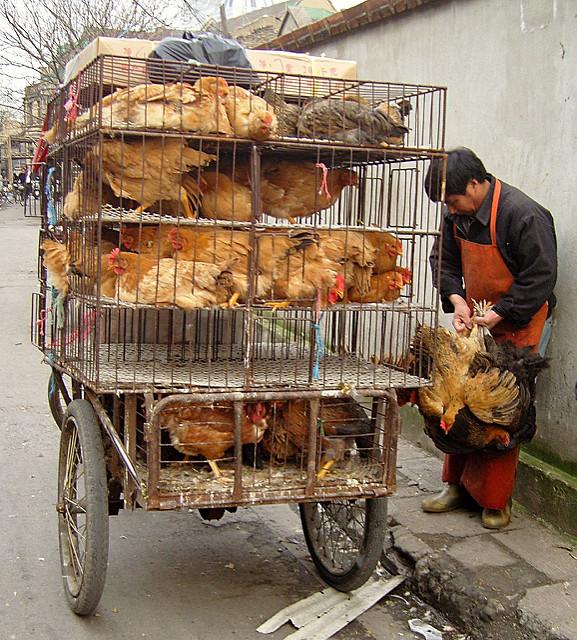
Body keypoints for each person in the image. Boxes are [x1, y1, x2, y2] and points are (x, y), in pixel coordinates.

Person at [423, 147, 557, 529]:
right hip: (480, 318)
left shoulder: (524, 215)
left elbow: (540, 277)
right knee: (457, 399)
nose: (450, 209)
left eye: (453, 199)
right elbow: (443, 261)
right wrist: (457, 301)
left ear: (475, 184)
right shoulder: (457, 216)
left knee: (503, 411)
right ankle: (456, 487)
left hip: (521, 322)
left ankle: (496, 502)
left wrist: (500, 313)